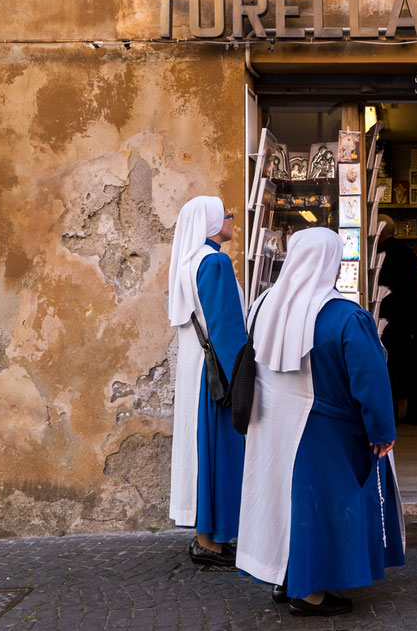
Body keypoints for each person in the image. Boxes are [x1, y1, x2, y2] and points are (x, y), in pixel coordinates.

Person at [236, 228, 405, 617]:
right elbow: (370, 379)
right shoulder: (345, 316)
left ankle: (284, 576)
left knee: (279, 501)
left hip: (270, 422)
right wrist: (382, 431)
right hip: (324, 428)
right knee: (316, 508)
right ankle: (309, 592)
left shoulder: (263, 304)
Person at [167, 196, 247, 567]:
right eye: (227, 214)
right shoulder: (215, 262)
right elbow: (226, 327)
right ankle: (210, 542)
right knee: (218, 454)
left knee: (202, 454)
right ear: (213, 221)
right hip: (217, 378)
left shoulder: (189, 261)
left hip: (196, 372)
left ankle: (207, 538)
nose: (231, 218)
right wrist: (245, 379)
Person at [378, 215, 417, 425]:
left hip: (386, 317)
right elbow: (416, 284)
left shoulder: (378, 254)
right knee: (411, 367)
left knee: (388, 367)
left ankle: (391, 412)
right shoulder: (408, 252)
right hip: (410, 316)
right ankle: (414, 412)